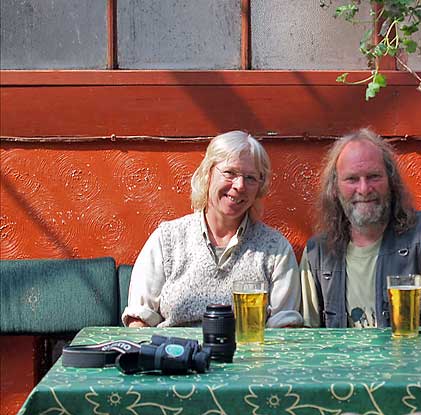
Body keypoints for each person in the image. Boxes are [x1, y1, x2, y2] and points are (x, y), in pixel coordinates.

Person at [122, 131, 301, 328]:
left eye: (250, 178)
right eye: (230, 173)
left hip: (249, 357)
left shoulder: (275, 249)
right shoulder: (167, 240)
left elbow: (285, 329)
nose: (239, 186)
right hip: (178, 355)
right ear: (208, 174)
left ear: (260, 187)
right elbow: (139, 320)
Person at [301, 128, 421, 328]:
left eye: (374, 176)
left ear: (391, 181)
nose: (364, 189)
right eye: (352, 179)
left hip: (414, 358)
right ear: (335, 188)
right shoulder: (317, 254)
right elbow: (307, 340)